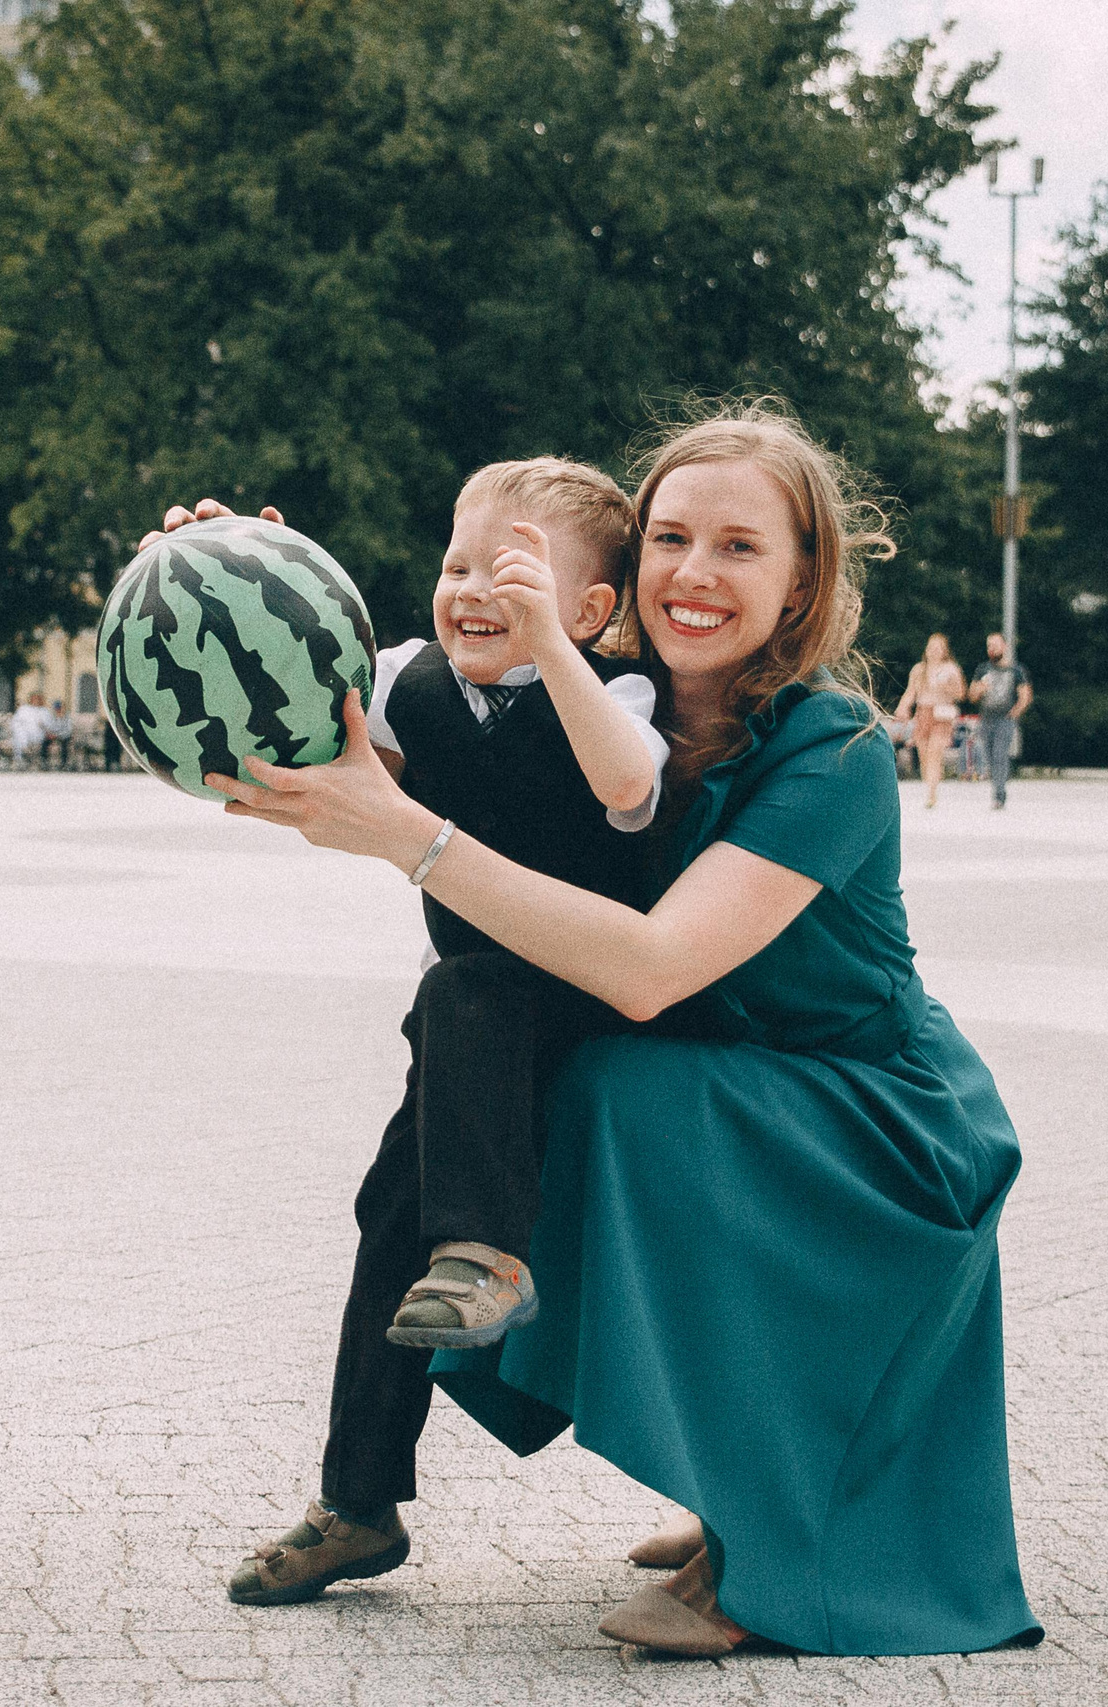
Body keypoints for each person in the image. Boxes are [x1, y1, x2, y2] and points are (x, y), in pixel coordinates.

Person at [191, 401, 1037, 1659]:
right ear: (620, 571)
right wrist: (243, 589)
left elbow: (645, 971)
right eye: (671, 539)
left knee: (620, 1090)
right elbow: (360, 726)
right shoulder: (586, 701)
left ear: (804, 579)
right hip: (722, 1070)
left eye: (742, 548)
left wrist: (405, 838)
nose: (695, 573)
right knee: (441, 1132)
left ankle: (765, 1542)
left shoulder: (837, 749)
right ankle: (361, 1498)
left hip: (868, 1114)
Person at [196, 459, 670, 1608]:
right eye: (456, 562)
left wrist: (554, 650)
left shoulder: (618, 696)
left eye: (509, 572)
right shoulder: (408, 679)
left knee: (459, 996)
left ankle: (490, 1259)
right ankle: (357, 1504)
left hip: (593, 997)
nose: (467, 588)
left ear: (593, 611)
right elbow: (297, 697)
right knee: (388, 1216)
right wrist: (234, 575)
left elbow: (630, 787)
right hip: (467, 1019)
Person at [892, 632, 964, 809]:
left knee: (934, 751)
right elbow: (911, 692)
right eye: (931, 647)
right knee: (924, 753)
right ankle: (931, 785)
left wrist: (948, 687)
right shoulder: (919, 669)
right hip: (923, 712)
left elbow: (961, 693)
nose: (934, 651)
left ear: (944, 651)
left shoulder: (951, 669)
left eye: (938, 648)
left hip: (942, 713)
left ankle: (932, 792)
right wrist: (903, 707)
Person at [968, 632, 1032, 809]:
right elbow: (971, 695)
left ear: (1005, 646)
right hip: (986, 718)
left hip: (1004, 720)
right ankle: (998, 788)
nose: (992, 648)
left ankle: (999, 794)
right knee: (989, 756)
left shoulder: (1016, 670)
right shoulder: (983, 670)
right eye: (989, 645)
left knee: (999, 755)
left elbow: (1025, 694)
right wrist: (980, 689)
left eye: (996, 644)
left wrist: (1016, 711)